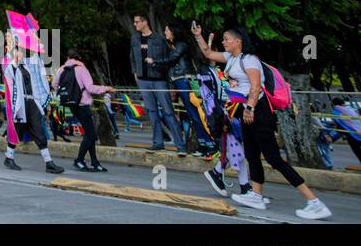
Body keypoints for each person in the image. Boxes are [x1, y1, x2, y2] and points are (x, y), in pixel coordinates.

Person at [191, 23, 331, 220]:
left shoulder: (249, 60)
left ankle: (314, 202)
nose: (223, 42)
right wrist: (198, 36)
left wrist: (250, 108)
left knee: (274, 158)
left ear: (238, 41)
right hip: (246, 112)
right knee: (252, 153)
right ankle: (256, 195)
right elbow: (208, 54)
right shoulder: (232, 58)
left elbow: (256, 87)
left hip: (258, 111)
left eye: (226, 39)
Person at [1, 40, 65, 174]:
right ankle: (9, 157)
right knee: (17, 131)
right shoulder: (9, 64)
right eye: (18, 51)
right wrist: (13, 59)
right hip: (20, 104)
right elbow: (8, 73)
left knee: (39, 130)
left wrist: (36, 41)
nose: (21, 53)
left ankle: (49, 162)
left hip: (32, 103)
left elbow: (37, 61)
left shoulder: (27, 65)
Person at [130, 13, 186, 154]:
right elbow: (132, 56)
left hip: (159, 80)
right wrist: (135, 73)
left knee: (168, 112)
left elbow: (167, 61)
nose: (135, 25)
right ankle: (158, 143)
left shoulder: (159, 39)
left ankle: (180, 145)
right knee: (152, 112)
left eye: (137, 22)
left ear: (145, 22)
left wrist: (170, 85)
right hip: (143, 80)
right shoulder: (135, 38)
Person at [161, 23, 217, 156]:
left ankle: (211, 145)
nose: (165, 32)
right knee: (193, 115)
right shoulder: (173, 46)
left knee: (197, 114)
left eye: (167, 30)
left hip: (185, 81)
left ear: (174, 32)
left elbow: (171, 59)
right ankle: (203, 145)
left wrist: (154, 60)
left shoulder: (181, 45)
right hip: (179, 81)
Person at [57, 49, 112, 172]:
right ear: (78, 58)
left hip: (71, 104)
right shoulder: (82, 69)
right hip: (82, 105)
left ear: (67, 57)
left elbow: (55, 85)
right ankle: (79, 160)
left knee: (89, 133)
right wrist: (106, 88)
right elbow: (90, 88)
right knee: (91, 134)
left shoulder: (61, 69)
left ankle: (94, 162)